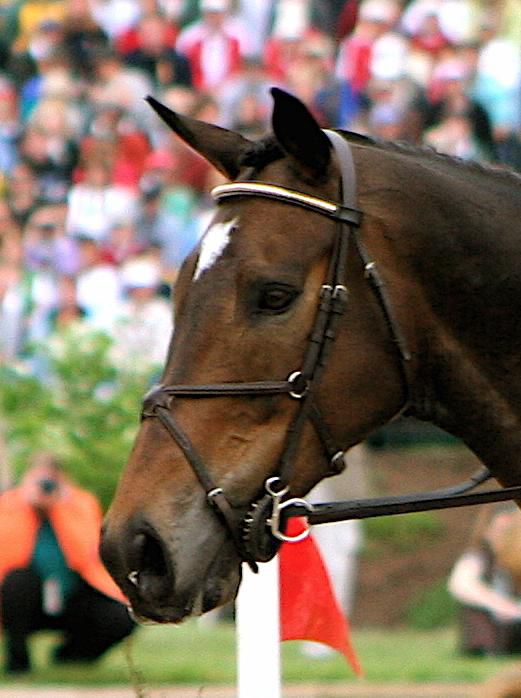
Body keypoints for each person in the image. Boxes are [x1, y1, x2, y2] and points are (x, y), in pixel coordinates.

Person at [0, 452, 135, 674]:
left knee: (121, 615)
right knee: (17, 581)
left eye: (51, 482)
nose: (45, 488)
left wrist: (60, 509)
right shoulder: (9, 505)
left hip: (73, 595)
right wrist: (27, 505)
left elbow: (86, 552)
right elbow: (8, 554)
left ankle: (71, 656)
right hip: (22, 601)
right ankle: (18, 661)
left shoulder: (80, 504)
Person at [448, 504, 521, 656]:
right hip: (493, 625)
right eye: (500, 531)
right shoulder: (479, 556)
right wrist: (503, 606)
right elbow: (461, 584)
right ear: (487, 531)